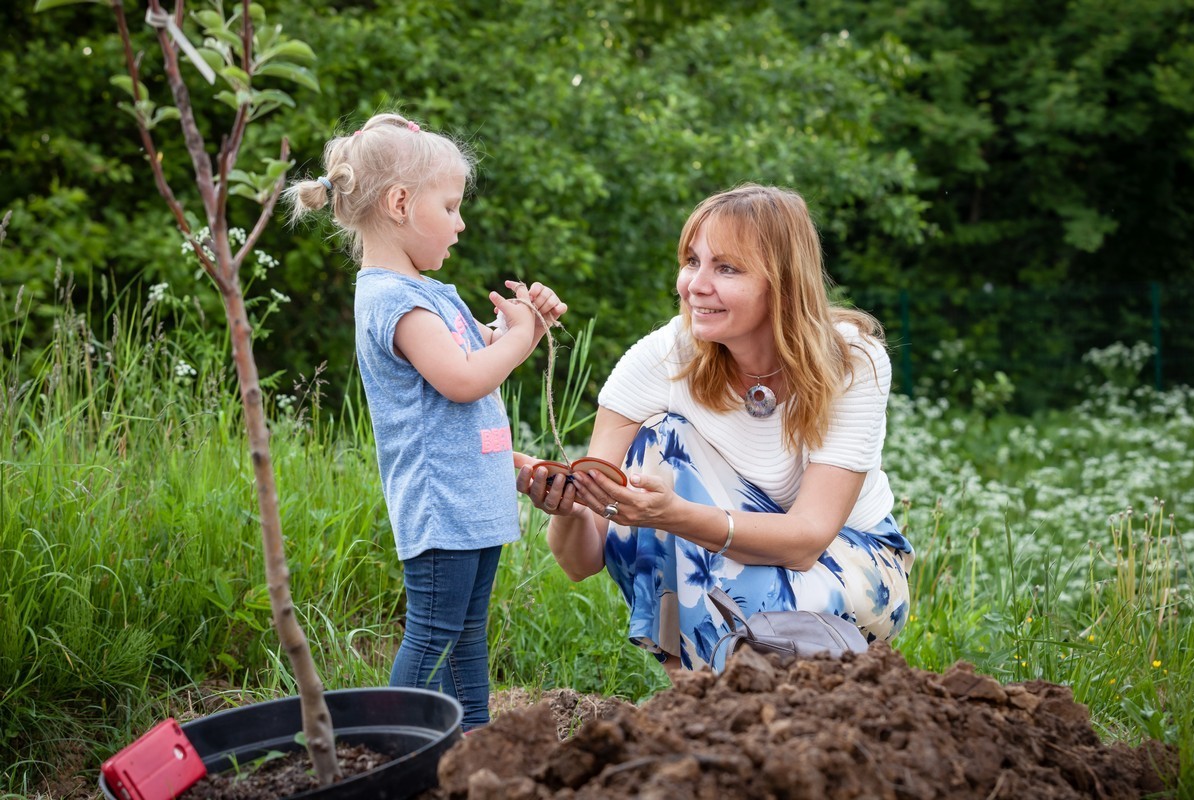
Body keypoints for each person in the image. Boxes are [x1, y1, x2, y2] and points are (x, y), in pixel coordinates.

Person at [517, 183, 913, 673]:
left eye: (726, 268)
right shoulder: (659, 358)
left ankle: (740, 691)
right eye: (691, 261)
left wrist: (672, 515)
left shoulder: (852, 361)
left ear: (783, 282)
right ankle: (710, 699)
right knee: (659, 442)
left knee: (675, 477)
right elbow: (583, 562)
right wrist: (571, 508)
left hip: (850, 573)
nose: (695, 285)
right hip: (727, 565)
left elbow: (808, 538)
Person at [286, 113, 566, 729]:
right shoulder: (396, 300)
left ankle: (471, 741)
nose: (461, 222)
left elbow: (474, 353)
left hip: (471, 498)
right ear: (402, 203)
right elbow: (464, 380)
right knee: (435, 633)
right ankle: (385, 745)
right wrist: (518, 341)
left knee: (465, 634)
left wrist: (525, 325)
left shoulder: (427, 292)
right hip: (443, 507)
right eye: (452, 205)